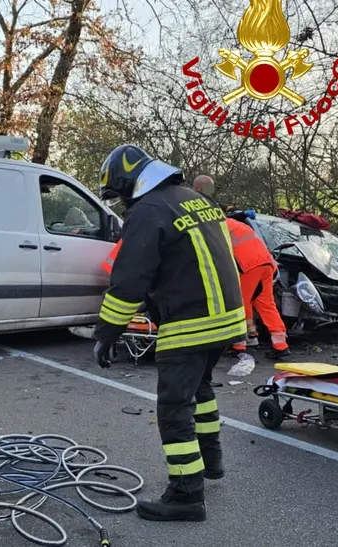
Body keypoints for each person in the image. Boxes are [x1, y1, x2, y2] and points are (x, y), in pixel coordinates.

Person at [92, 145, 245, 522]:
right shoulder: (194, 198)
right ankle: (212, 461)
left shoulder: (148, 210)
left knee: (174, 406)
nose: (123, 202)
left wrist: (107, 334)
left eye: (120, 194)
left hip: (190, 321)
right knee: (201, 390)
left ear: (130, 182)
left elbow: (128, 281)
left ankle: (186, 495)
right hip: (227, 318)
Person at [224, 213, 290, 359]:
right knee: (266, 304)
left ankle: (239, 344)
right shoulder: (237, 225)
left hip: (248, 265)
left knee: (239, 303)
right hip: (267, 264)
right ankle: (280, 344)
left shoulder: (216, 226)